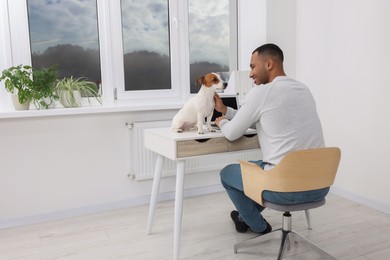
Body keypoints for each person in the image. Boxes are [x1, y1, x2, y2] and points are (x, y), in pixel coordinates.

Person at [213, 43, 328, 234]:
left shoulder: (262, 92)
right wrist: (228, 111)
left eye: (252, 66)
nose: (250, 74)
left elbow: (232, 133)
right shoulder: (303, 89)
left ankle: (258, 226)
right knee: (259, 166)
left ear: (268, 64)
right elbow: (268, 118)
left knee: (227, 174)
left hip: (284, 188)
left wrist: (222, 122)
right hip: (319, 184)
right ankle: (244, 218)